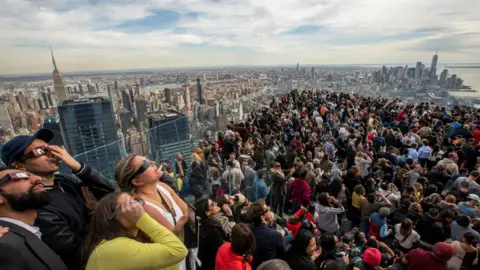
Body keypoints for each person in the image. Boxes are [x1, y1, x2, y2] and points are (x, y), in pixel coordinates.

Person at [0, 128, 115, 269]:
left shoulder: (66, 181)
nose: (51, 154)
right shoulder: (35, 203)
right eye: (41, 151)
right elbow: (78, 253)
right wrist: (94, 214)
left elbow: (109, 196)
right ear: (19, 165)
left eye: (49, 148)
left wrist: (78, 167)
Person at [115, 154, 188, 270]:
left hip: (184, 259)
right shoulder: (141, 206)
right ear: (136, 181)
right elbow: (171, 238)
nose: (153, 162)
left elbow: (186, 211)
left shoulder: (162, 186)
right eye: (146, 164)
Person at [83, 192, 187, 270]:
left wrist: (176, 233)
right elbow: (178, 251)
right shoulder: (111, 248)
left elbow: (170, 264)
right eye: (129, 205)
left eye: (137, 201)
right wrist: (142, 219)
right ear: (111, 218)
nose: (138, 207)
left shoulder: (136, 240)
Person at [0, 169, 67, 270]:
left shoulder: (29, 233)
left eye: (31, 174)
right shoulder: (5, 244)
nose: (38, 178)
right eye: (21, 176)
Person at [247, 202, 286, 268]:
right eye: (267, 210)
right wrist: (281, 236)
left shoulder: (248, 229)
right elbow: (284, 255)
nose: (269, 208)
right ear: (262, 217)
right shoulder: (276, 235)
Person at [195, 197, 228, 270]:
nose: (216, 203)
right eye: (212, 204)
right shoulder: (211, 230)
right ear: (207, 212)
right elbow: (222, 249)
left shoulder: (203, 226)